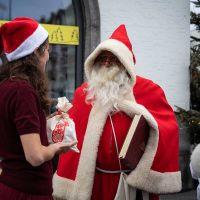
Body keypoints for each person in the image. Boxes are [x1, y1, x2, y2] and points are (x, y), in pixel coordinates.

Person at [53, 24, 181, 200]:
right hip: (95, 183)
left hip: (132, 183)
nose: (106, 62)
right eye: (102, 58)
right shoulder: (84, 93)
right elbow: (73, 140)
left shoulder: (149, 89)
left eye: (113, 58)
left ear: (125, 62)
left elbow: (168, 129)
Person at [0, 17, 77, 200]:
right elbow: (34, 156)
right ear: (36, 51)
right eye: (48, 50)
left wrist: (46, 121)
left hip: (12, 185)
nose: (49, 57)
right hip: (27, 192)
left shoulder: (6, 86)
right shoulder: (22, 91)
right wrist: (58, 147)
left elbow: (15, 131)